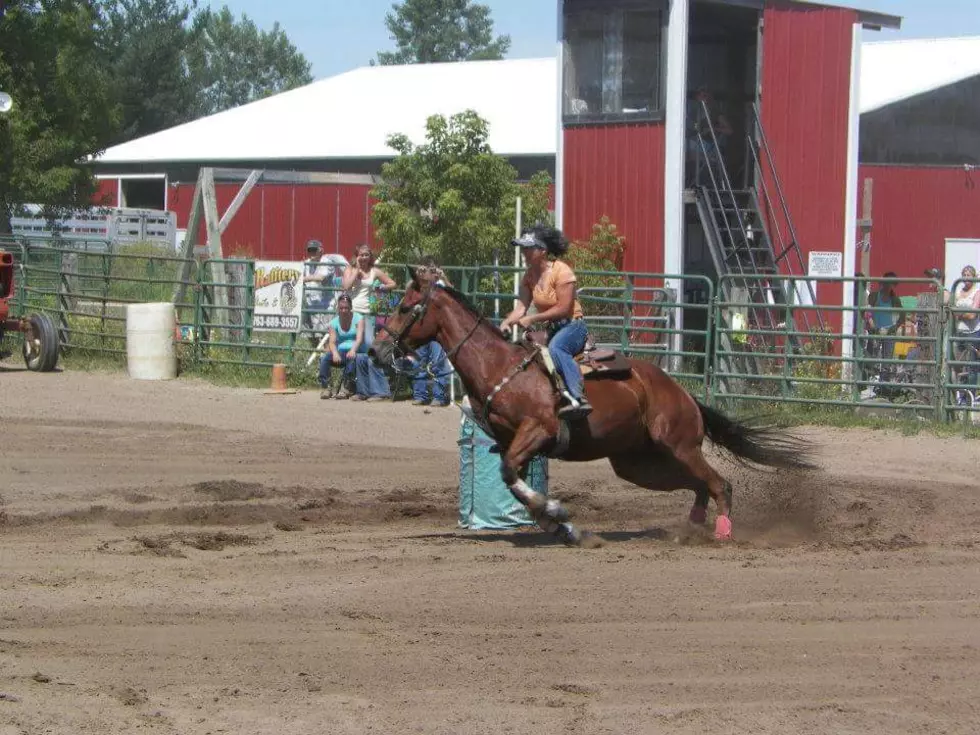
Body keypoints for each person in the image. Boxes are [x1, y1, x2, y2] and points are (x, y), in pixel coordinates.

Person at [499, 224, 591, 420]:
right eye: (523, 248)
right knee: (526, 357)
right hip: (554, 329)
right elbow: (521, 308)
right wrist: (506, 322)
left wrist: (532, 318)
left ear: (542, 251)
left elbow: (564, 309)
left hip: (573, 326)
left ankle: (578, 398)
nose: (523, 252)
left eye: (528, 248)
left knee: (557, 349)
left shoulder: (562, 271)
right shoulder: (529, 276)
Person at [342, 243, 397, 402]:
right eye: (361, 255)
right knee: (358, 352)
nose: (364, 257)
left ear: (370, 256)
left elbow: (392, 283)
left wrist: (381, 287)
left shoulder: (375, 271)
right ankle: (362, 389)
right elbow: (346, 286)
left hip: (367, 315)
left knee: (369, 349)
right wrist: (357, 270)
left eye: (367, 255)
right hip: (352, 314)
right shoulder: (350, 270)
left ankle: (380, 390)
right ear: (356, 256)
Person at [410, 257, 451, 407]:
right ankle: (420, 394)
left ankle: (439, 396)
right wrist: (417, 277)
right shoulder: (418, 285)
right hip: (421, 328)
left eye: (431, 270)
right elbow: (409, 293)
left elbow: (454, 295)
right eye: (425, 270)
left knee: (438, 361)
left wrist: (444, 278)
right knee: (419, 361)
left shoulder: (441, 285)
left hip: (437, 331)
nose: (427, 273)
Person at [862, 272, 906, 385]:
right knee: (872, 357)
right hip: (875, 331)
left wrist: (893, 328)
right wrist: (873, 325)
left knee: (887, 359)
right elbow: (867, 312)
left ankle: (883, 384)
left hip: (889, 332)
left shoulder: (895, 300)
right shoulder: (874, 296)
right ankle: (868, 380)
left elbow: (902, 317)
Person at [319, 293, 365, 400]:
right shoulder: (334, 323)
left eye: (346, 308)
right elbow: (332, 342)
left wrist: (353, 349)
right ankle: (326, 387)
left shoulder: (359, 318)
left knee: (351, 357)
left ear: (351, 308)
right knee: (324, 358)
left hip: (356, 350)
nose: (344, 310)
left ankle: (346, 388)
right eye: (341, 308)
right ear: (338, 308)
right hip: (341, 352)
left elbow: (359, 338)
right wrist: (334, 353)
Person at [301, 239, 333, 347]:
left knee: (324, 335)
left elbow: (321, 277)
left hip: (325, 304)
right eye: (309, 250)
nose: (312, 253)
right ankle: (316, 353)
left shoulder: (326, 261)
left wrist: (305, 279)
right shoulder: (307, 263)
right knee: (307, 332)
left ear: (321, 250)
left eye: (314, 250)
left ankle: (326, 358)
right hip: (310, 303)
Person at [952, 264, 980, 386]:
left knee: (972, 366)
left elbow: (972, 315)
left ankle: (971, 397)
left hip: (973, 333)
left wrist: (959, 313)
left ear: (974, 277)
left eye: (969, 275)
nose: (966, 277)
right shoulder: (958, 291)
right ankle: (961, 395)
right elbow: (952, 311)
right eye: (964, 275)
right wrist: (962, 313)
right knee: (958, 366)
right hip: (959, 333)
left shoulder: (977, 292)